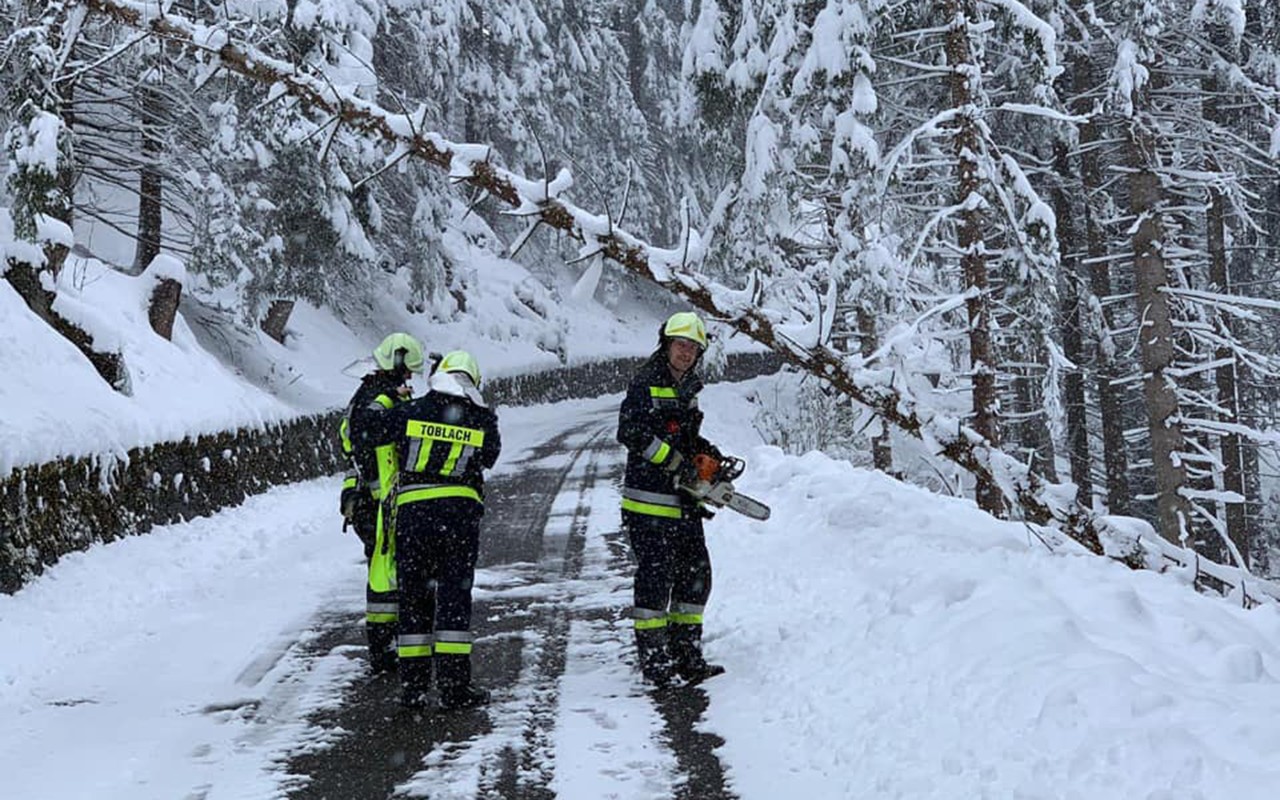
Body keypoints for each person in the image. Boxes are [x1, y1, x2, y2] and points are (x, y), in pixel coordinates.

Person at [375, 350, 501, 710]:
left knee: (413, 598)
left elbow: (372, 432)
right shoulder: (480, 418)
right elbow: (489, 456)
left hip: (413, 516)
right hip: (459, 517)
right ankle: (454, 688)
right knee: (453, 600)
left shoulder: (409, 411)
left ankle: (413, 689)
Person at [616, 311, 727, 687]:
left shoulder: (688, 387)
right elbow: (629, 431)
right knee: (655, 579)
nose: (686, 353)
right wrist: (674, 461)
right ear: (666, 345)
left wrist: (710, 457)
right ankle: (654, 660)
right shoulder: (646, 381)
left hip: (682, 502)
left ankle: (686, 653)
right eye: (681, 345)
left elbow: (687, 436)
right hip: (648, 502)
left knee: (696, 576)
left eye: (693, 348)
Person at [338, 332, 427, 673]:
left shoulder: (368, 394)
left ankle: (389, 647)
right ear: (397, 361)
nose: (409, 379)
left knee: (385, 573)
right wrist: (403, 405)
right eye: (407, 372)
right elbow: (369, 431)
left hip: (371, 500)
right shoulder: (376, 399)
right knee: (385, 576)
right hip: (378, 503)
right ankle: (386, 650)